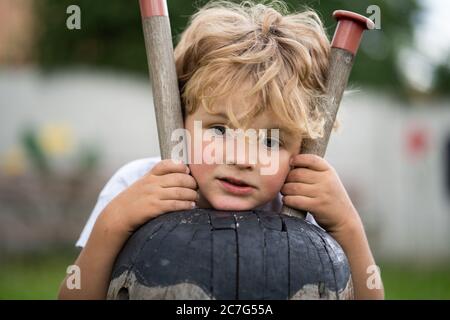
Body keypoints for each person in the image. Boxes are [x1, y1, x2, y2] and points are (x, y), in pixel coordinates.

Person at [58, 0, 384, 299]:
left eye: (269, 141)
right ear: (181, 116)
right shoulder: (135, 183)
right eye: (218, 129)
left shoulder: (301, 205)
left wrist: (347, 227)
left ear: (301, 145)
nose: (241, 159)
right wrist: (114, 222)